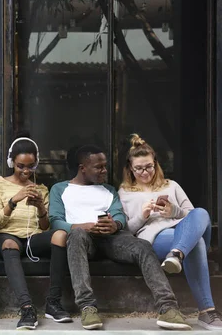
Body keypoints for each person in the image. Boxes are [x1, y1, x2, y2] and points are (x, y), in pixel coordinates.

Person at [49, 145, 190, 330]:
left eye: (105, 166)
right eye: (99, 167)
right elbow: (55, 221)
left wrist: (114, 224)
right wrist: (83, 226)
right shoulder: (60, 189)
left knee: (142, 246)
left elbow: (119, 216)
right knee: (75, 235)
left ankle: (168, 308)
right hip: (83, 239)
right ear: (82, 167)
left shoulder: (109, 190)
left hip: (112, 238)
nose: (104, 170)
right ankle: (87, 307)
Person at [118, 134, 222, 330]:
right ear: (130, 169)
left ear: (155, 164)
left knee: (201, 212)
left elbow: (194, 217)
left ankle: (177, 254)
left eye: (148, 166)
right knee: (197, 243)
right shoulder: (125, 192)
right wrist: (143, 215)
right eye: (138, 168)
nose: (144, 172)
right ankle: (207, 312)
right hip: (155, 237)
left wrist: (173, 211)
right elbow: (127, 231)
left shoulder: (171, 185)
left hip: (183, 232)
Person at [0, 136, 71, 330]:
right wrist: (13, 201)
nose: (26, 171)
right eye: (20, 166)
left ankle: (53, 302)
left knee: (60, 235)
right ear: (11, 163)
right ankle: (26, 307)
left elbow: (44, 227)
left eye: (31, 166)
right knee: (9, 244)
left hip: (32, 238)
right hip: (7, 236)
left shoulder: (41, 188)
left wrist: (41, 208)